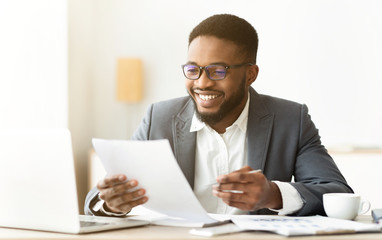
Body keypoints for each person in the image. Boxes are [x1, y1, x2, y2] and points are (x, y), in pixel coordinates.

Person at [85, 14, 352, 217]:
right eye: (193, 69)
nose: (202, 83)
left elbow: (335, 191)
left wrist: (273, 194)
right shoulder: (160, 117)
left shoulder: (291, 119)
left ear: (250, 74)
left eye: (217, 71)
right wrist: (111, 203)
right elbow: (98, 196)